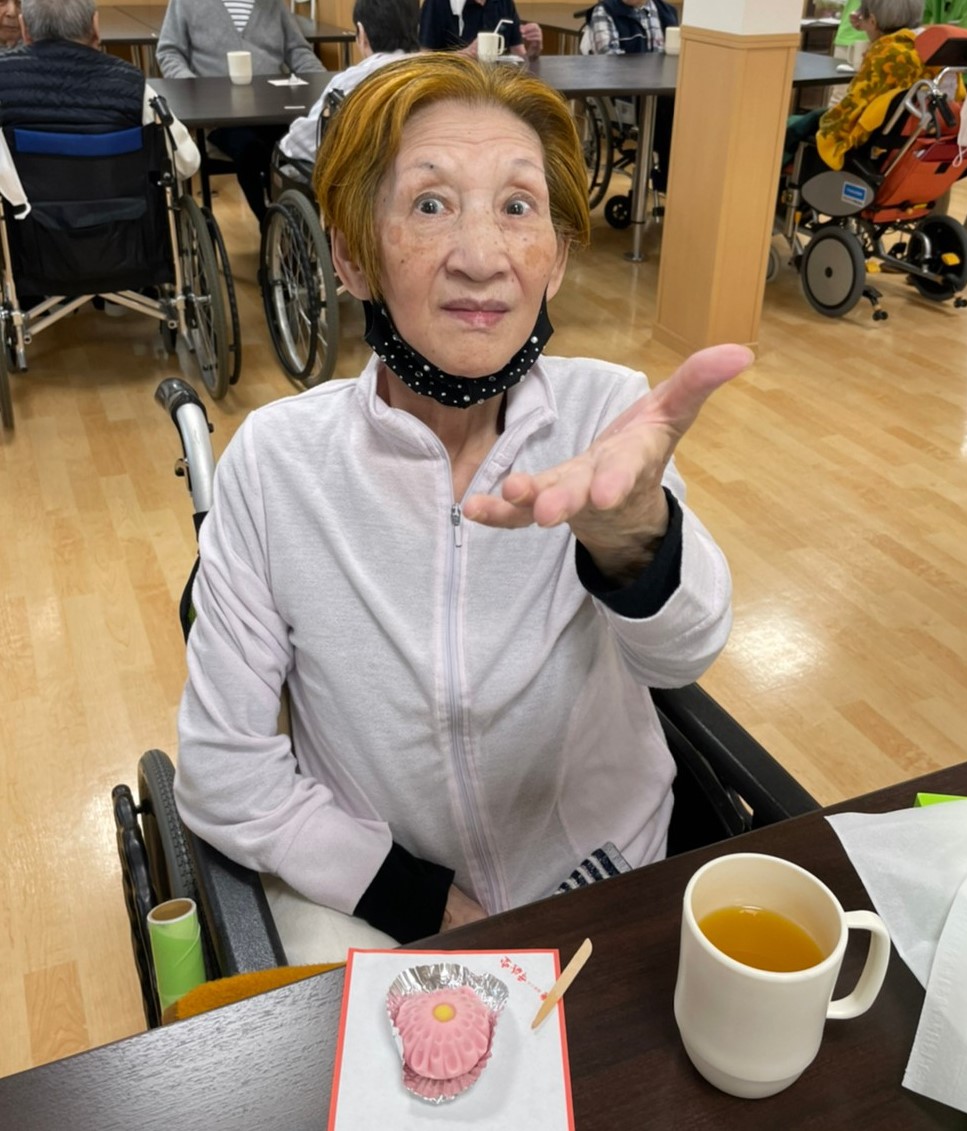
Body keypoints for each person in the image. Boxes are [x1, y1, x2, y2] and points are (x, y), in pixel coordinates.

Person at [175, 53, 751, 963]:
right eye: (431, 203)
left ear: (557, 259)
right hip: (383, 913)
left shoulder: (606, 419)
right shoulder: (277, 464)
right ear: (351, 255)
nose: (481, 258)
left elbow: (685, 653)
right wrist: (419, 899)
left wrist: (634, 544)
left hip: (610, 887)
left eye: (518, 207)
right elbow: (221, 772)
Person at [0, 0, 199, 201]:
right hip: (124, 216)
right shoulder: (132, 85)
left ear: (24, 28)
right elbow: (186, 161)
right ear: (95, 25)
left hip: (32, 217)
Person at [157, 0, 324, 220]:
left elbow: (298, 51)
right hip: (219, 119)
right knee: (250, 148)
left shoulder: (272, 4)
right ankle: (268, 222)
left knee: (298, 145)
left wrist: (325, 83)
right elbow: (169, 53)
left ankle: (291, 221)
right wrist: (194, 87)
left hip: (272, 112)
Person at [785, 0, 925, 170]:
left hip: (864, 140)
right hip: (898, 140)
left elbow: (849, 111)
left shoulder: (884, 55)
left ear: (872, 21)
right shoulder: (922, 50)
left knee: (792, 126)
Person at [278, 0, 419, 168]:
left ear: (361, 33)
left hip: (365, 177)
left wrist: (286, 142)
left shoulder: (353, 80)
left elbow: (304, 142)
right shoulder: (435, 71)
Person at [582, 0, 678, 191]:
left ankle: (676, 177)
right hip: (627, 96)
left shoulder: (666, 12)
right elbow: (610, 61)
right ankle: (668, 178)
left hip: (663, 93)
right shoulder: (605, 11)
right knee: (669, 114)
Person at [418, 0, 543, 59]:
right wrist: (464, 55)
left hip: (499, 87)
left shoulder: (504, 3)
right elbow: (424, 60)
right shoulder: (437, 3)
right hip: (452, 87)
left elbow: (520, 57)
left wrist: (534, 48)